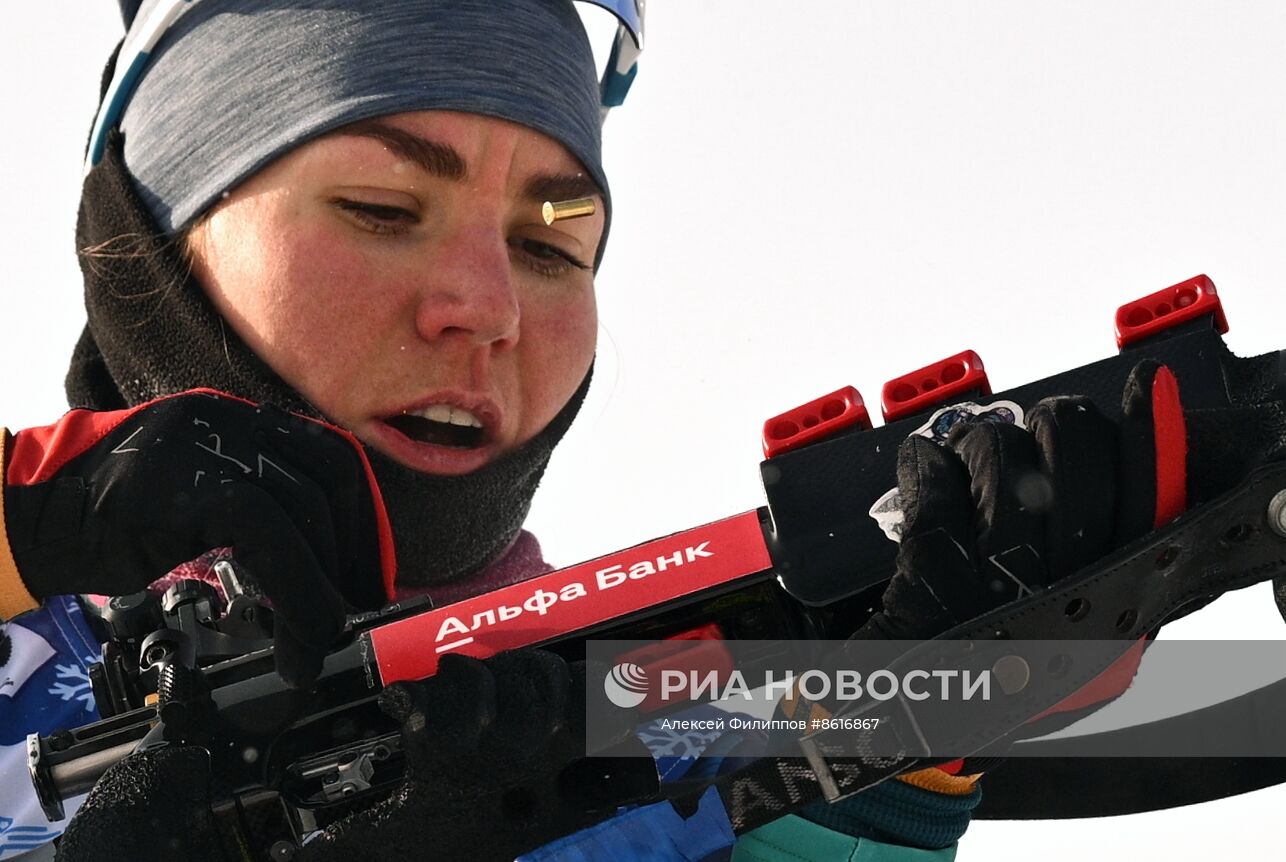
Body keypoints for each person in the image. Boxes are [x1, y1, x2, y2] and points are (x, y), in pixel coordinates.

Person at [0, 2, 1283, 861]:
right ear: (153, 245)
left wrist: (884, 727)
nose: (487, 308)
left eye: (555, 239)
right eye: (383, 206)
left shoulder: (640, 724)